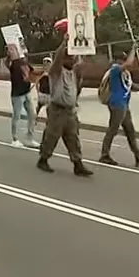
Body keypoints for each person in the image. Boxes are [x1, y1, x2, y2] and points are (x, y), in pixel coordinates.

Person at [36, 38, 93, 177]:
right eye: (70, 57)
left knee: (73, 137)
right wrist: (64, 43)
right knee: (52, 136)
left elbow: (81, 62)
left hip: (69, 110)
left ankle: (77, 164)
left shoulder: (73, 73)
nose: (73, 59)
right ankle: (43, 159)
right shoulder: (56, 72)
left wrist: (86, 44)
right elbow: (57, 58)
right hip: (57, 110)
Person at [99, 48, 139, 168]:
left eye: (124, 59)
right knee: (113, 129)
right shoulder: (114, 70)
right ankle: (104, 155)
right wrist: (133, 50)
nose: (123, 62)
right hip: (116, 104)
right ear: (117, 60)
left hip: (124, 105)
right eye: (121, 60)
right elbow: (129, 63)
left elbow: (132, 87)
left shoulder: (125, 74)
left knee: (130, 131)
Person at [6, 44, 38, 148]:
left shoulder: (23, 61)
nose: (11, 51)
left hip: (26, 92)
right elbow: (8, 63)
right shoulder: (11, 63)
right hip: (17, 95)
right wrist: (8, 56)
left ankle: (29, 138)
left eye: (12, 49)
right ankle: (14, 139)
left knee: (32, 115)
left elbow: (32, 71)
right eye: (9, 50)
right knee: (17, 116)